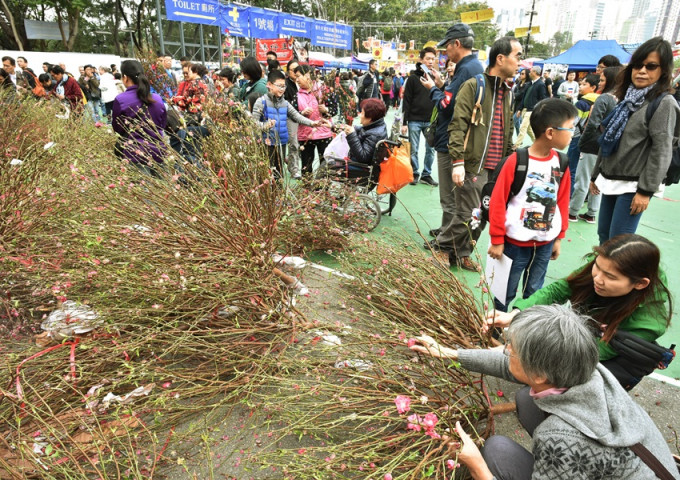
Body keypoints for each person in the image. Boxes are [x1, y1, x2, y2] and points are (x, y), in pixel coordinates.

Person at [410, 303, 679, 480]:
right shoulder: (588, 369)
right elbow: (512, 367)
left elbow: (515, 367)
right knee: (527, 400)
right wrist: (448, 353)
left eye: (511, 350)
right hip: (652, 469)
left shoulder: (561, 437)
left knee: (495, 451)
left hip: (597, 457)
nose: (506, 353)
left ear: (540, 374)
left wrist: (477, 466)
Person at [487, 233, 672, 389]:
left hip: (610, 356)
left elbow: (591, 353)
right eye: (596, 268)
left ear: (640, 284)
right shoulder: (606, 263)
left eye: (609, 277)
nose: (597, 279)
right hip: (595, 325)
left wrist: (521, 355)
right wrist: (517, 314)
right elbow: (560, 289)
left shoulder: (648, 323)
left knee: (574, 382)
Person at [488, 99, 578, 311]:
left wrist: (559, 237)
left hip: (545, 244)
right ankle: (495, 327)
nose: (573, 133)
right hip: (514, 244)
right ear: (550, 132)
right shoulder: (516, 161)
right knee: (505, 291)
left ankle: (524, 332)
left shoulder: (562, 162)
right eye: (570, 128)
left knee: (535, 292)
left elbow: (562, 201)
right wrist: (497, 239)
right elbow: (498, 201)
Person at [591, 36, 680, 244]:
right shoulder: (628, 99)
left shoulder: (663, 103)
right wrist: (596, 175)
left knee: (619, 242)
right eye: (637, 65)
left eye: (651, 66)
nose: (642, 71)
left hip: (633, 185)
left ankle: (614, 276)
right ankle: (603, 275)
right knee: (604, 235)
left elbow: (662, 149)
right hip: (612, 178)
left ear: (663, 71)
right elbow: (609, 139)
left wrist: (645, 190)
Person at [444, 36, 521, 271]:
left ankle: (463, 253)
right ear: (500, 58)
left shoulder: (507, 92)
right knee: (467, 213)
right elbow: (458, 125)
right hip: (473, 164)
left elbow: (507, 131)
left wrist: (510, 163)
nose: (520, 62)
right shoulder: (474, 85)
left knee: (483, 214)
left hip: (496, 168)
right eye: (517, 56)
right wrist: (458, 162)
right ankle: (443, 249)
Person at [421, 22, 483, 251]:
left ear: (457, 43)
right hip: (463, 141)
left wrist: (433, 89)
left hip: (451, 142)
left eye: (446, 46)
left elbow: (447, 104)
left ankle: (445, 244)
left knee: (450, 198)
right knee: (459, 199)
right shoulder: (474, 66)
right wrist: (441, 85)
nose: (445, 51)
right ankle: (449, 238)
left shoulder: (465, 69)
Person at [569, 66, 623, 224]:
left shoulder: (604, 98)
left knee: (583, 179)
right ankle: (592, 213)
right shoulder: (623, 99)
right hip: (610, 147)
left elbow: (592, 124)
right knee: (598, 180)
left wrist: (582, 142)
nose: (599, 83)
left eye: (602, 80)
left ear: (610, 81)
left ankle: (573, 212)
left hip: (592, 144)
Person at [251, 69, 324, 178]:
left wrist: (312, 123)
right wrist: (265, 126)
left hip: (281, 143)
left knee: (279, 173)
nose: (282, 89)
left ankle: (278, 192)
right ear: (269, 85)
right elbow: (253, 123)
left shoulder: (285, 103)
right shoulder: (261, 102)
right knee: (267, 173)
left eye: (284, 86)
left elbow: (296, 116)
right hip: (266, 144)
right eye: (279, 86)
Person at [112, 59, 167, 175]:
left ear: (125, 77)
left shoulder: (121, 100)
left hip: (135, 153)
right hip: (158, 151)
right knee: (164, 190)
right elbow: (162, 124)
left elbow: (118, 128)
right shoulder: (157, 99)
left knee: (142, 190)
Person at [320, 97, 388, 181]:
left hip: (362, 169)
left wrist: (351, 135)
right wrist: (332, 126)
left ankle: (315, 191)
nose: (360, 115)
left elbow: (363, 157)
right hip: (361, 165)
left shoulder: (375, 134)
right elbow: (356, 129)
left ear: (370, 118)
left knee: (325, 166)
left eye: (362, 113)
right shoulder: (376, 126)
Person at [401, 47, 438, 186]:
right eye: (428, 58)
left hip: (430, 121)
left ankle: (426, 174)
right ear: (421, 60)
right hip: (414, 120)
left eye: (432, 59)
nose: (430, 61)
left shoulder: (435, 77)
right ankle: (415, 173)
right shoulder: (412, 79)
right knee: (414, 149)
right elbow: (407, 101)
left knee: (431, 149)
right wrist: (404, 123)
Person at [293, 64, 335, 176]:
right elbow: (292, 114)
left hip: (324, 134)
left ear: (308, 76)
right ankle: (306, 191)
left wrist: (326, 109)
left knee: (325, 165)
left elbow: (334, 109)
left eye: (298, 76)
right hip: (305, 135)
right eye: (295, 77)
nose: (296, 80)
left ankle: (322, 190)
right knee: (306, 165)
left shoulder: (324, 91)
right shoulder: (296, 95)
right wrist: (302, 113)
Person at [566, 73, 600, 195]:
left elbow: (573, 122)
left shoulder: (581, 103)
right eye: (581, 84)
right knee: (586, 171)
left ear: (593, 87)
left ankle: (569, 194)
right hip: (591, 140)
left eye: (585, 84)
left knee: (571, 169)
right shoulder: (601, 102)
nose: (580, 86)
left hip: (577, 138)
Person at [513, 66, 550, 149]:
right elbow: (524, 97)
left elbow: (543, 99)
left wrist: (537, 110)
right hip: (525, 109)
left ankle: (516, 145)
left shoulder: (541, 85)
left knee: (523, 127)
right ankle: (538, 142)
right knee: (529, 129)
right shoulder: (530, 84)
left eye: (531, 71)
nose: (529, 73)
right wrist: (520, 108)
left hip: (532, 110)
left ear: (535, 73)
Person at [283, 60, 302, 179]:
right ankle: (295, 169)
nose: (295, 73)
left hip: (305, 119)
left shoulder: (304, 84)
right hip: (292, 118)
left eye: (297, 70)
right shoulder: (285, 85)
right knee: (294, 144)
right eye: (293, 70)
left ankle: (296, 165)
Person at [512, 69, 530, 134]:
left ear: (527, 75)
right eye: (520, 73)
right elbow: (515, 92)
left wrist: (514, 96)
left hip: (522, 105)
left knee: (513, 121)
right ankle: (519, 138)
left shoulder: (527, 84)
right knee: (517, 124)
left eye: (523, 74)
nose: (520, 75)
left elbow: (522, 94)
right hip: (516, 104)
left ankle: (517, 140)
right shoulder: (519, 83)